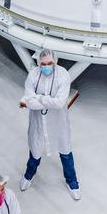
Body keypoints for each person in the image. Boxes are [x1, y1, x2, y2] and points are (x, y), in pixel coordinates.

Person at [18, 48, 80, 200]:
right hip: (38, 122)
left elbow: (59, 103)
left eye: (49, 63)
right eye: (43, 64)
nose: (46, 66)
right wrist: (44, 101)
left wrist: (38, 99)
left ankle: (72, 182)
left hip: (58, 122)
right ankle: (29, 175)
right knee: (35, 151)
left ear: (55, 62)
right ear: (38, 63)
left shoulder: (63, 75)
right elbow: (28, 100)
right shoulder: (33, 74)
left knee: (65, 152)